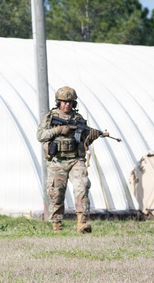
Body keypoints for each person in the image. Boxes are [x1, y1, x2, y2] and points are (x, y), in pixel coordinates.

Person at [36, 85, 105, 234]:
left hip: (75, 160)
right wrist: (58, 130)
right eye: (63, 101)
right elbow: (40, 136)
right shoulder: (50, 118)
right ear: (58, 102)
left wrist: (92, 136)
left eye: (70, 102)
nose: (66, 104)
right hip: (57, 162)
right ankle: (57, 225)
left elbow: (84, 139)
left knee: (82, 186)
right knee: (56, 193)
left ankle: (83, 222)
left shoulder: (78, 119)